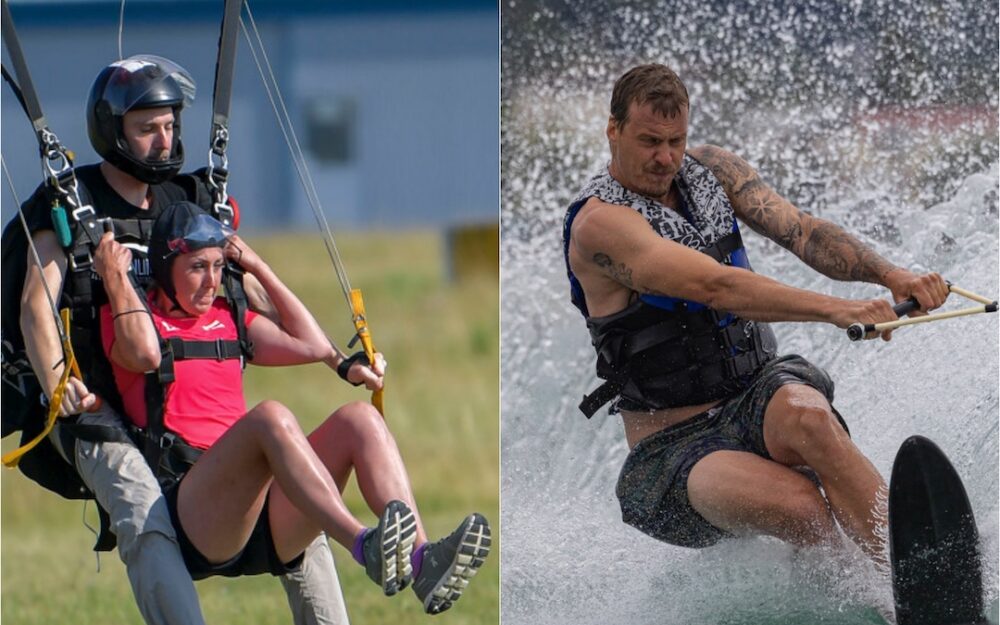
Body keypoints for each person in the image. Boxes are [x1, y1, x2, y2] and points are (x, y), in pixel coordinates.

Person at [562, 63, 950, 560]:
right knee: (802, 508)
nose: (665, 158)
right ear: (613, 130)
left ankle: (914, 574)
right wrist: (839, 310)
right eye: (649, 141)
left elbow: (803, 232)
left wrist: (893, 276)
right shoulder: (599, 226)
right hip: (674, 447)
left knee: (809, 418)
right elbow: (716, 285)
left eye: (676, 141)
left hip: (755, 398)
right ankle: (861, 597)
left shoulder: (712, 171)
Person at [19, 55, 353, 625]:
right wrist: (57, 385)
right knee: (142, 514)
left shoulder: (190, 204)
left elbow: (253, 301)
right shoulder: (71, 207)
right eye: (147, 128)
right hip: (100, 408)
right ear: (113, 130)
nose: (163, 139)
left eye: (170, 125)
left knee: (297, 494)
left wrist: (340, 360)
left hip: (183, 404)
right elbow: (35, 306)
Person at [93, 200, 491, 614]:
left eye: (217, 266)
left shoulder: (230, 318)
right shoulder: (129, 319)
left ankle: (422, 562)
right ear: (164, 267)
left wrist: (256, 265)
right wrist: (115, 274)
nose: (211, 281)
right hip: (196, 512)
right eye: (197, 267)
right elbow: (141, 354)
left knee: (361, 419)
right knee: (271, 416)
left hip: (265, 518)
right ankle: (363, 543)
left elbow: (313, 345)